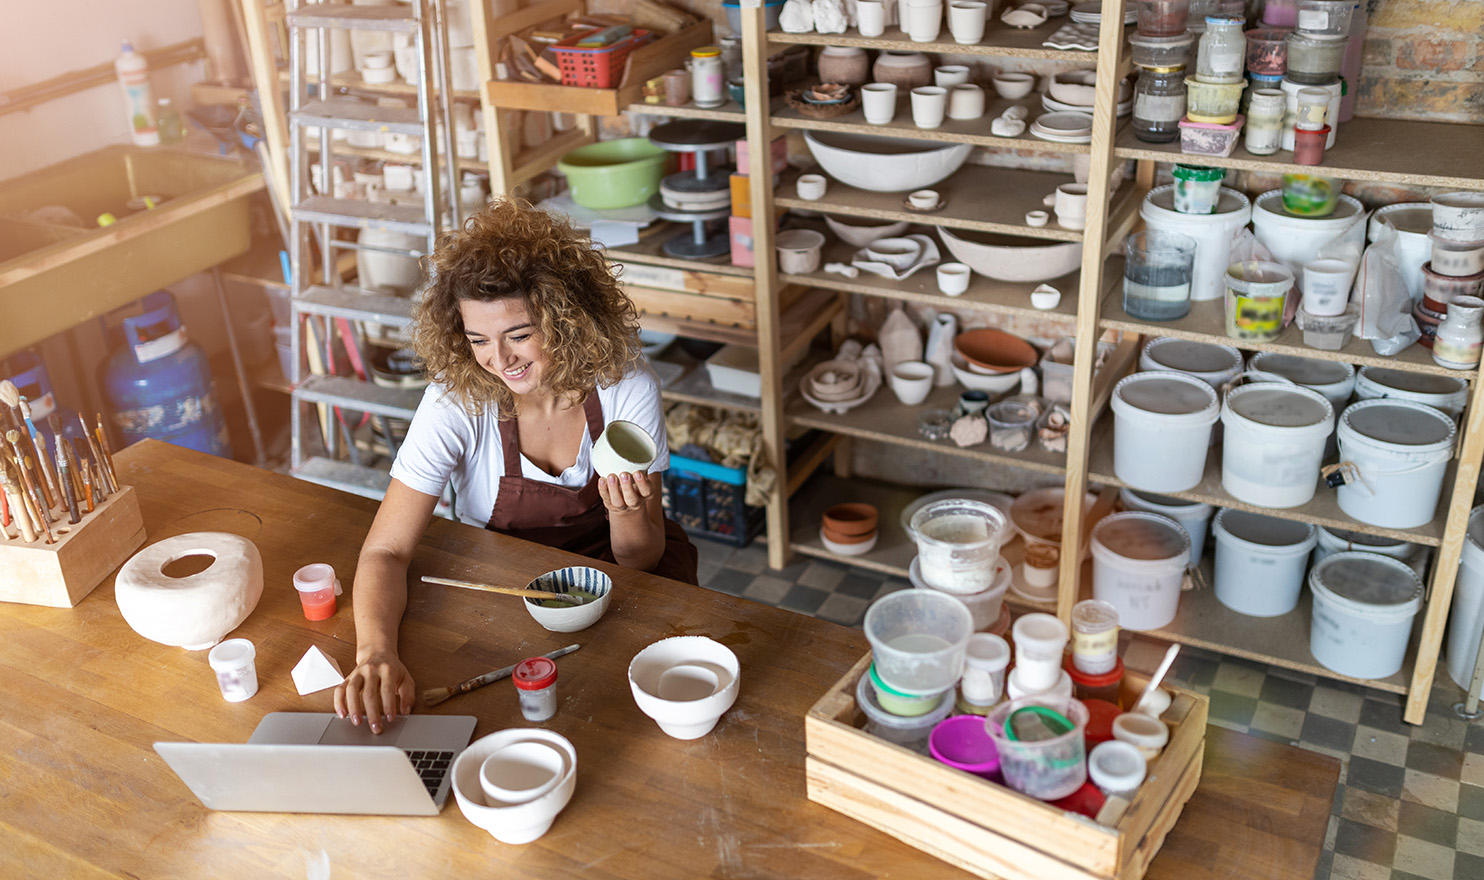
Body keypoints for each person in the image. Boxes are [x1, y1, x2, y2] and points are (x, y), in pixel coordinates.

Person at [334, 198, 698, 732]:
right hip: (502, 587)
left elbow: (641, 558)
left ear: (567, 321)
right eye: (479, 339)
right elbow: (386, 550)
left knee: (627, 716)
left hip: (617, 580)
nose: (499, 361)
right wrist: (375, 655)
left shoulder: (625, 389)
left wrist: (625, 513)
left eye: (519, 334)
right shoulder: (457, 402)